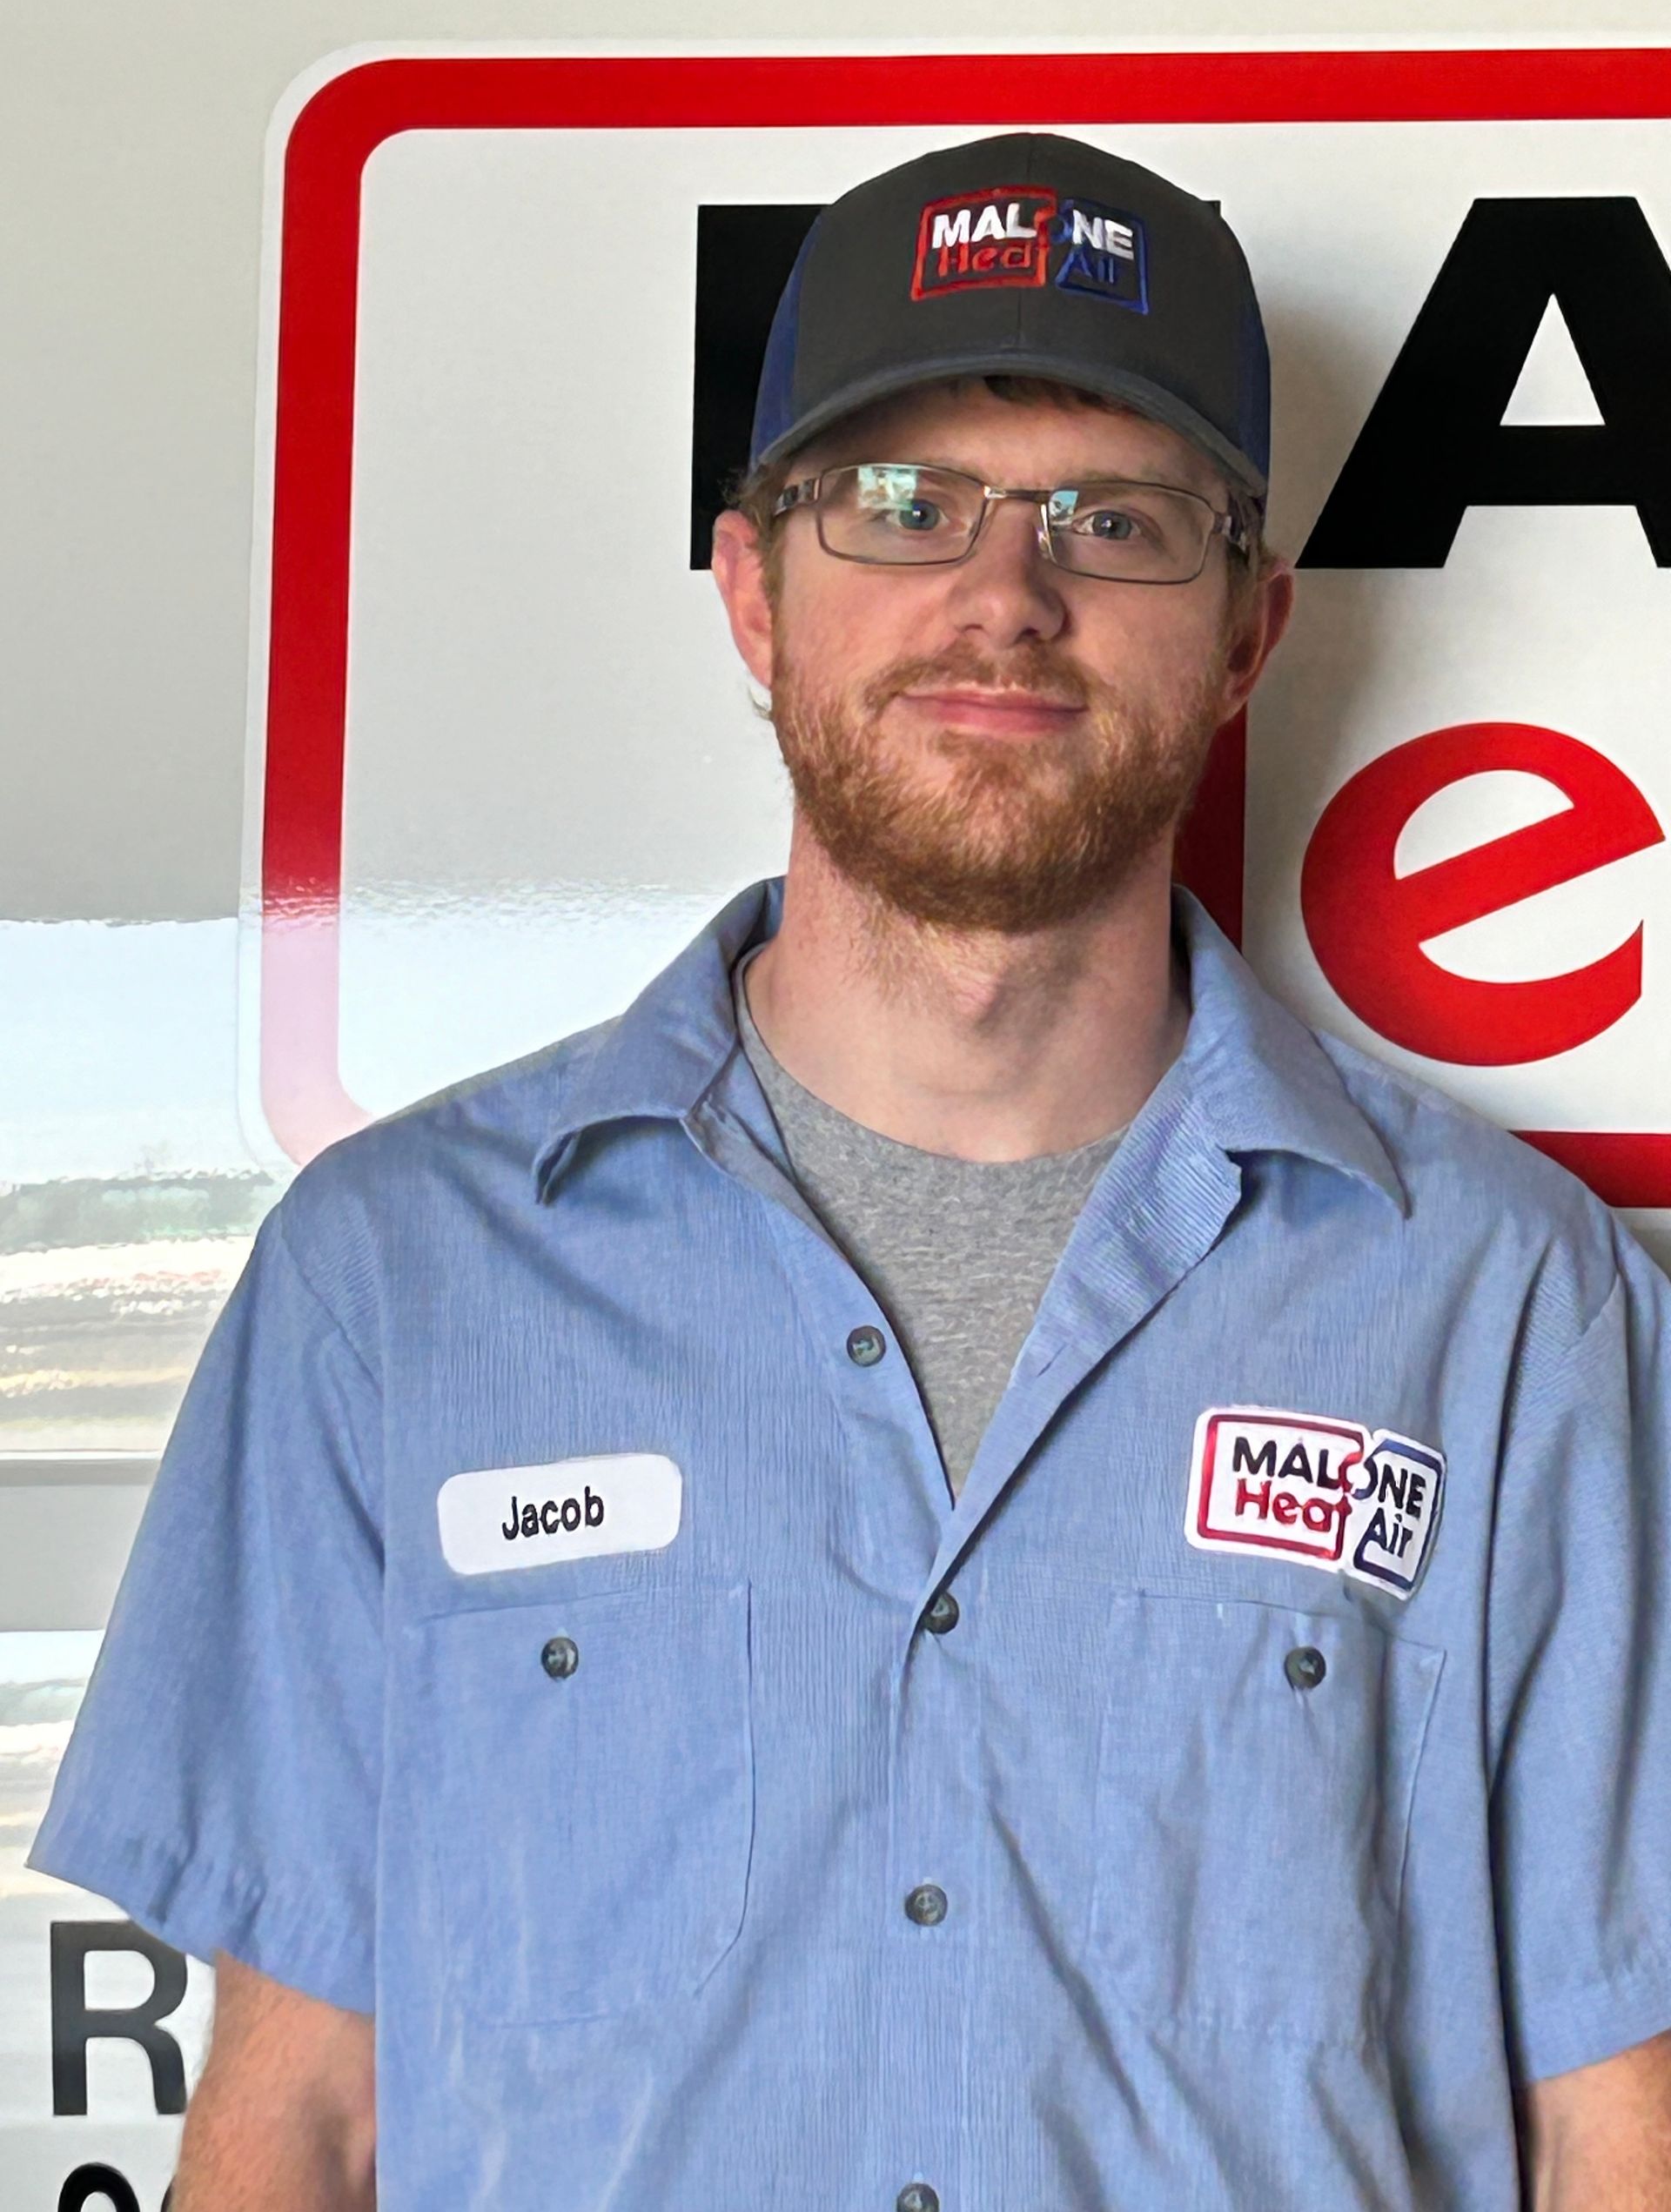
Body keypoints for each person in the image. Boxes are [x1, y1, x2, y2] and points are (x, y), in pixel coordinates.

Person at [30, 131, 1671, 2211]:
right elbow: (302, 2121)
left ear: (1249, 631)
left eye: (1117, 515)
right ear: (752, 590)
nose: (1007, 592)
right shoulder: (394, 1288)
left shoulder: (1518, 1309)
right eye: (902, 505)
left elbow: (1617, 2132)